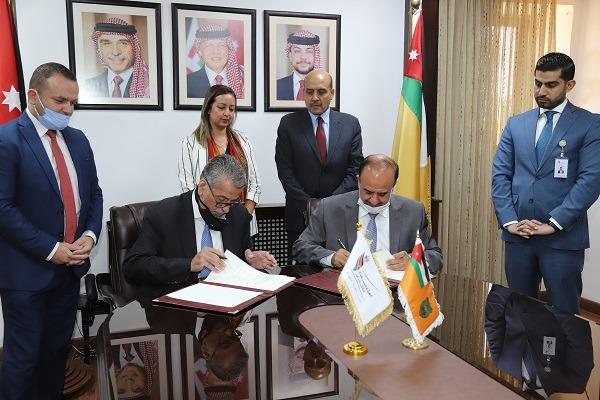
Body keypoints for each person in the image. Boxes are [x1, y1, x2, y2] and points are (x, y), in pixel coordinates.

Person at [0, 62, 103, 399]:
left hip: (69, 273)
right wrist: (51, 248)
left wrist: (89, 236)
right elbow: (3, 208)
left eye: (73, 103)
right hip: (26, 276)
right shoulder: (7, 140)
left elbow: (94, 194)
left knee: (56, 354)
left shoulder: (78, 140)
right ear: (33, 97)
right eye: (60, 101)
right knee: (23, 360)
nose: (68, 110)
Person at [491, 52, 600, 314]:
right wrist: (510, 221)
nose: (541, 91)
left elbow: (590, 180)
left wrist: (552, 224)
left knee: (565, 316)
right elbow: (500, 175)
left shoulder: (590, 124)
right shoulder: (516, 124)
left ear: (569, 85)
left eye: (551, 85)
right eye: (538, 83)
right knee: (520, 312)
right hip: (519, 236)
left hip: (562, 239)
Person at [124, 154, 276, 286]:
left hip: (227, 301)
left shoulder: (238, 214)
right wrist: (189, 265)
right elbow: (133, 267)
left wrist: (250, 261)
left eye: (233, 201)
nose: (226, 209)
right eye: (221, 200)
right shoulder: (163, 214)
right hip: (179, 302)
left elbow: (236, 260)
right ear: (203, 186)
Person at [293, 155, 442, 273]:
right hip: (342, 293)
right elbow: (301, 247)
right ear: (358, 181)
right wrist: (331, 257)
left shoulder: (413, 211)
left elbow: (435, 256)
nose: (374, 200)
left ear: (393, 186)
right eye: (368, 192)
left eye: (382, 194)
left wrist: (413, 261)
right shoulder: (329, 208)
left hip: (395, 293)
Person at [275, 69, 363, 262]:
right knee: (301, 271)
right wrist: (308, 204)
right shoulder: (289, 124)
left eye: (321, 92)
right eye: (309, 92)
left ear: (332, 93)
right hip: (300, 215)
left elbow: (355, 169)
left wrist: (329, 204)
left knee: (340, 267)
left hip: (340, 214)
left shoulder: (350, 124)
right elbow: (285, 171)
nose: (315, 98)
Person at [179, 84, 261, 237]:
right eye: (222, 107)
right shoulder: (190, 143)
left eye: (231, 109)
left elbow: (255, 183)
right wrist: (209, 215)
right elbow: (188, 188)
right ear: (208, 109)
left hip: (243, 222)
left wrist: (245, 217)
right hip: (206, 222)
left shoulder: (243, 140)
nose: (227, 113)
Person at [86, 17, 150, 98]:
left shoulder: (150, 84)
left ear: (134, 49)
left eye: (123, 43)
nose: (115, 52)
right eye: (107, 44)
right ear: (99, 50)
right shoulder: (87, 85)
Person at [187, 23, 244, 99]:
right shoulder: (188, 83)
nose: (216, 51)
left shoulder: (243, 79)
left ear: (229, 49)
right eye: (209, 45)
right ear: (199, 51)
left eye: (221, 45)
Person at [276, 30, 320, 100]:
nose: (303, 57)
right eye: (297, 51)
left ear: (316, 56)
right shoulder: (277, 86)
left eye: (309, 51)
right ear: (290, 56)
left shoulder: (324, 87)